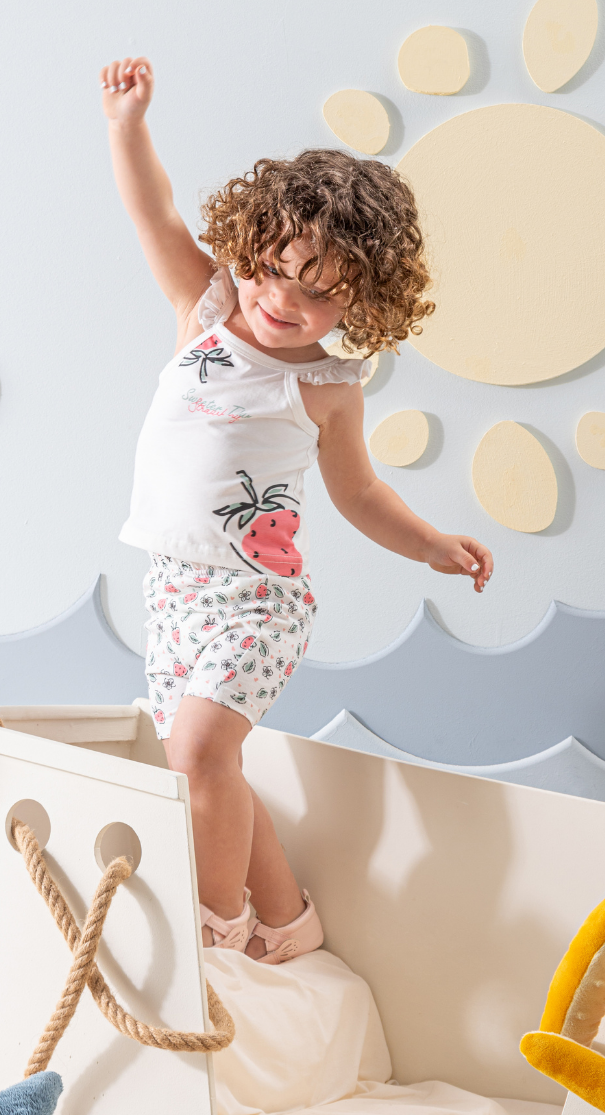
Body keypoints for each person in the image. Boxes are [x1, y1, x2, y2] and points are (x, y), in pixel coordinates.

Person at [102, 57, 493, 964]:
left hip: (257, 603)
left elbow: (359, 492)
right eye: (273, 271)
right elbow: (154, 214)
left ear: (363, 300)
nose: (283, 300)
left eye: (320, 292)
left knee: (199, 755)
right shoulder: (204, 313)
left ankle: (213, 935)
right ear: (248, 249)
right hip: (172, 590)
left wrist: (429, 544)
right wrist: (127, 125)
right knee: (207, 769)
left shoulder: (327, 384)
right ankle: (287, 926)